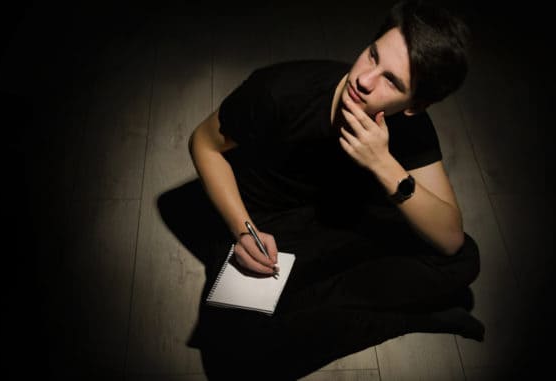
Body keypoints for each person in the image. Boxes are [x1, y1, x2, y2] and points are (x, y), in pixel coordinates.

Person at [184, 0, 482, 378]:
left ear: (414, 105)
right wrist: (243, 230)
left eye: (392, 80)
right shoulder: (280, 90)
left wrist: (383, 164)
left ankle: (308, 305)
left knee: (462, 260)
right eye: (372, 56)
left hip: (339, 219)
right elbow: (203, 144)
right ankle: (407, 318)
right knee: (233, 360)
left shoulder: (412, 128)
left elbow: (452, 240)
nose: (364, 80)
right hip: (264, 223)